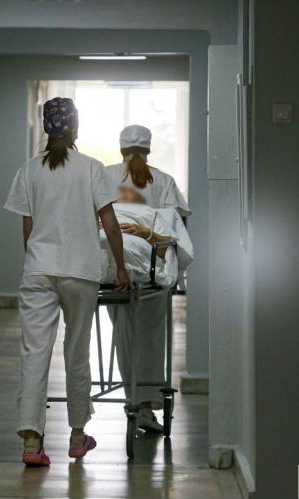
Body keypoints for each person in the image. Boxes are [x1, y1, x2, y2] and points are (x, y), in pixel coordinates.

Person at [4, 98, 132, 466]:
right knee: (77, 351)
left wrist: (35, 262)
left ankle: (31, 443)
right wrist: (121, 268)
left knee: (34, 354)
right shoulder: (91, 168)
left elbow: (28, 228)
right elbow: (110, 224)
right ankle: (77, 436)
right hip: (81, 271)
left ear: (46, 128)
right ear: (75, 128)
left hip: (39, 270)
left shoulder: (29, 170)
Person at [104, 125, 191, 432]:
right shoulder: (163, 181)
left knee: (124, 334)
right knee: (151, 338)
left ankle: (133, 400)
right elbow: (175, 228)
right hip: (151, 268)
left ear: (121, 149)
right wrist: (145, 232)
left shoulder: (104, 176)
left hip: (113, 266)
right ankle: (144, 405)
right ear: (149, 150)